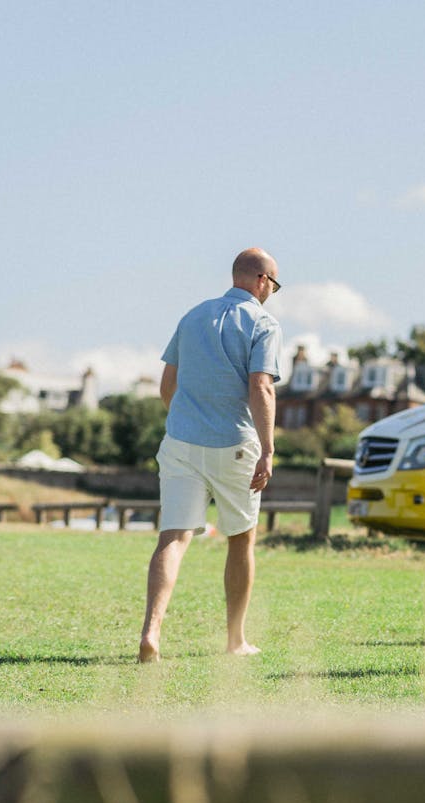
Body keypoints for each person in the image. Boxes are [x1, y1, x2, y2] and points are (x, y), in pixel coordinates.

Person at [138, 247, 283, 663]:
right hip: (235, 445)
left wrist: (187, 420)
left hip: (181, 441)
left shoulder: (193, 315)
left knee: (174, 536)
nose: (272, 291)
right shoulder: (264, 323)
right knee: (241, 539)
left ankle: (151, 632)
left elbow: (169, 383)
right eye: (273, 284)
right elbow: (261, 387)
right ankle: (235, 640)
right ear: (261, 280)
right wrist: (269, 449)